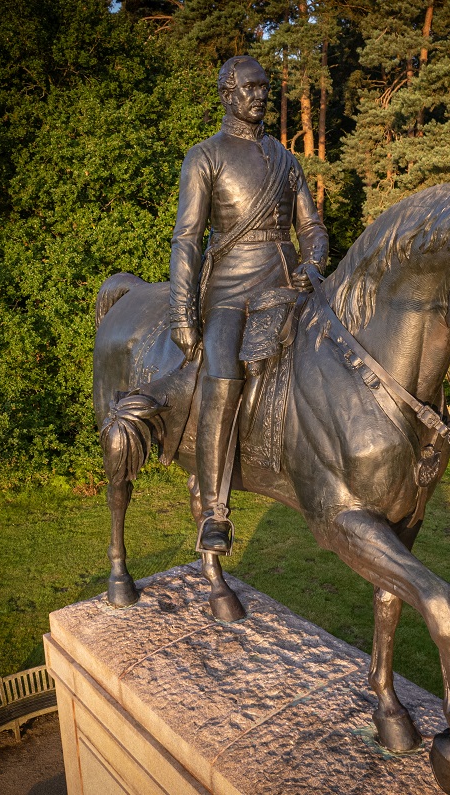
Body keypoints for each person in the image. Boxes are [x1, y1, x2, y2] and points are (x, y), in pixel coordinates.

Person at [169, 55, 328, 555]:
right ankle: (215, 510)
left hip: (286, 280)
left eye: (265, 88)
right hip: (230, 289)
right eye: (251, 88)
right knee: (222, 369)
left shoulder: (286, 159)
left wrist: (315, 263)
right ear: (228, 94)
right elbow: (188, 239)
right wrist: (181, 311)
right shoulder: (205, 156)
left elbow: (312, 228)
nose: (261, 96)